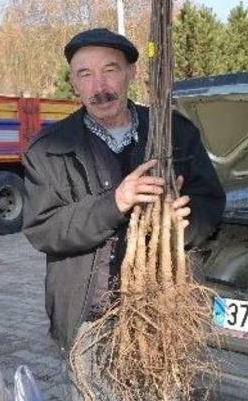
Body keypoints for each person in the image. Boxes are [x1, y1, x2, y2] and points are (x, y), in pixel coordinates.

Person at [21, 28, 226, 395]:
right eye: (85, 74)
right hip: (89, 319)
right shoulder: (48, 150)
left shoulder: (176, 134)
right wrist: (114, 203)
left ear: (132, 72)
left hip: (163, 309)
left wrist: (184, 223)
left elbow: (210, 201)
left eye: (110, 70)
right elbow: (43, 229)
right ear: (73, 83)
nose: (100, 86)